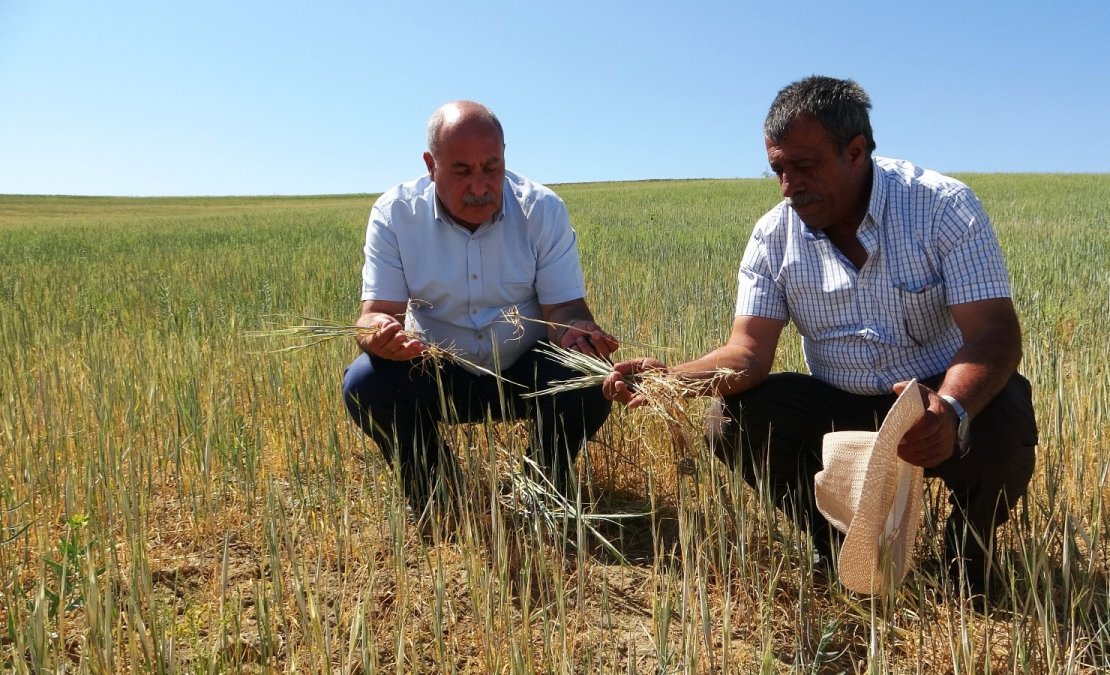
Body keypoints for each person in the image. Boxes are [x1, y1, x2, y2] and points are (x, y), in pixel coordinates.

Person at [604, 76, 1037, 597]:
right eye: (778, 169)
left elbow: (994, 334)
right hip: (839, 404)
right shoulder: (773, 237)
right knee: (731, 421)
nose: (789, 185)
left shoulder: (941, 207)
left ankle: (967, 557)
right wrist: (669, 379)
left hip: (932, 395)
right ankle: (838, 546)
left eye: (804, 166)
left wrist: (950, 409)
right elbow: (747, 353)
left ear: (856, 151)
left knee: (1006, 416)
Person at [343, 100, 618, 515]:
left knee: (588, 375)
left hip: (524, 370)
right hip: (435, 368)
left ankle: (540, 484)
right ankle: (437, 491)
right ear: (430, 164)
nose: (479, 187)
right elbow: (375, 314)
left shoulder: (543, 209)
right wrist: (378, 335)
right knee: (366, 383)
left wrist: (579, 333)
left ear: (505, 157)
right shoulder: (395, 213)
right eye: (461, 171)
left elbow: (564, 311)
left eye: (491, 168)